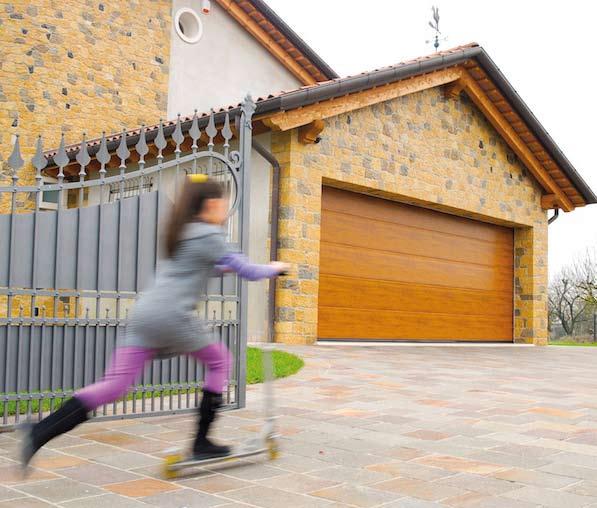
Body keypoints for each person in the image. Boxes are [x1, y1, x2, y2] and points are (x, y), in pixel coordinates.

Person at [21, 175, 288, 468]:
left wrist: (223, 268)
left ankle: (39, 432)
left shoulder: (185, 232)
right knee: (220, 362)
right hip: (172, 315)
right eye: (224, 204)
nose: (226, 210)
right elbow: (247, 270)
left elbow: (202, 268)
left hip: (144, 315)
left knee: (114, 386)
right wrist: (274, 267)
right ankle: (202, 443)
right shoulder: (211, 235)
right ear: (212, 204)